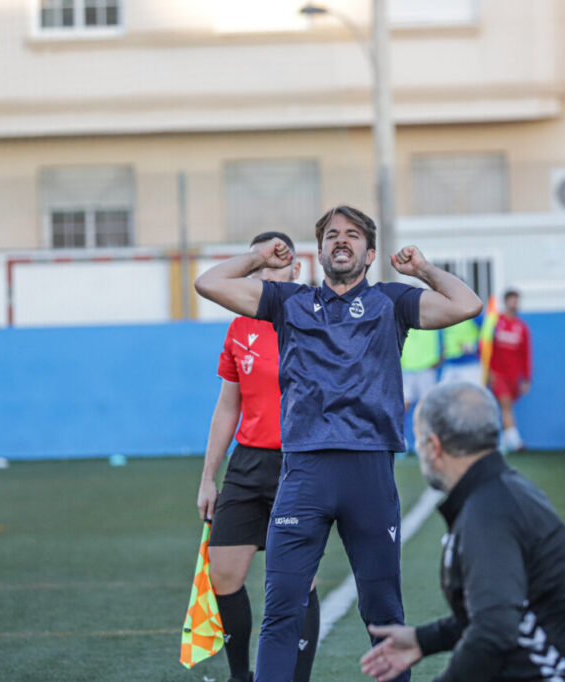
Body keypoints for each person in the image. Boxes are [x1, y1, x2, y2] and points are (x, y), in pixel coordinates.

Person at [195, 205, 482, 682]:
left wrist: (424, 270)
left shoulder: (392, 301)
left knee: (383, 613)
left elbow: (467, 304)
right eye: (331, 235)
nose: (341, 240)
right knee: (281, 610)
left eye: (352, 235)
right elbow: (209, 283)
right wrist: (258, 258)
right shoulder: (288, 301)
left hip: (369, 475)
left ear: (369, 254)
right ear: (320, 251)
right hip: (303, 474)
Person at [360, 382, 565, 682]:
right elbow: (504, 609)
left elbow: (493, 631)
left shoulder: (488, 512)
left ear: (434, 446)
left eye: (418, 442)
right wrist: (424, 640)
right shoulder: (501, 491)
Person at [196, 232, 319, 682]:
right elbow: (228, 406)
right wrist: (208, 477)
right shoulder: (239, 327)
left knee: (297, 581)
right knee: (223, 572)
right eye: (260, 264)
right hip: (247, 464)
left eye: (278, 261)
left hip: (299, 464)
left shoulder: (316, 316)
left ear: (297, 270)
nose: (269, 270)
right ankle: (240, 677)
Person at [484, 289, 532, 452]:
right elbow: (487, 347)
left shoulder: (522, 327)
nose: (515, 304)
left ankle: (504, 442)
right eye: (512, 300)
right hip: (497, 373)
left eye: (517, 301)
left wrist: (526, 379)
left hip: (513, 375)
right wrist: (489, 371)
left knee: (507, 406)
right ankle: (515, 440)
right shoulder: (496, 322)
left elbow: (525, 354)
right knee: (505, 404)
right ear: (506, 302)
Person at [439, 316, 482, 386]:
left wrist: (474, 346)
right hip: (449, 363)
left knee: (472, 391)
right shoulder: (446, 314)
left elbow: (487, 332)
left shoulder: (473, 313)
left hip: (469, 364)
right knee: (444, 391)